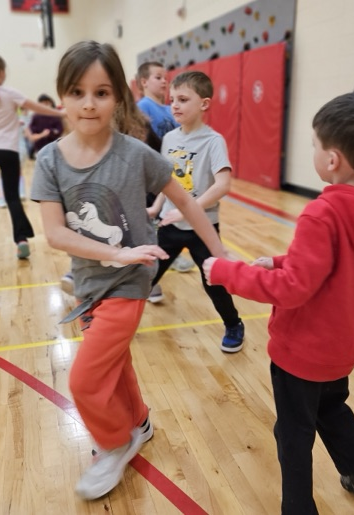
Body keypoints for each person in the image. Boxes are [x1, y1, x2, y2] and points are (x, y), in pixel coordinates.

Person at [30, 40, 228, 500]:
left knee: (84, 379)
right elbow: (55, 234)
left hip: (129, 285)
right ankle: (138, 421)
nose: (89, 103)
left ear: (118, 96)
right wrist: (116, 253)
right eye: (77, 92)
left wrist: (219, 254)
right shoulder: (49, 161)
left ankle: (114, 445)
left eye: (101, 92)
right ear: (62, 95)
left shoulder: (137, 154)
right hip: (90, 285)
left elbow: (188, 203)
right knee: (113, 363)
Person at [203, 87, 354, 513]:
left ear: (332, 159)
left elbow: (292, 289)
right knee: (332, 406)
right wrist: (280, 260)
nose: (313, 152)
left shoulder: (324, 212)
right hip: (345, 345)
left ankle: (298, 507)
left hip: (303, 351)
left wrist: (227, 272)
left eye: (315, 145)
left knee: (294, 432)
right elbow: (345, 267)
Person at [147, 71, 245, 353]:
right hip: (170, 223)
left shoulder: (213, 141)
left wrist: (188, 211)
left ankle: (234, 324)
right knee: (147, 275)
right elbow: (168, 181)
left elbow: (223, 185)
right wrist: (155, 208)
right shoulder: (169, 139)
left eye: (182, 99)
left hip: (203, 226)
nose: (174, 105)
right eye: (172, 100)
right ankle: (117, 323)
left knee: (213, 283)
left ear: (204, 104)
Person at [0, 52, 63, 259]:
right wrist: (61, 113)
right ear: (1, 72)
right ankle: (21, 239)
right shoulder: (9, 93)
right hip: (8, 150)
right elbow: (37, 108)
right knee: (12, 196)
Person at [136, 61, 194, 276]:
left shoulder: (170, 109)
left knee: (169, 216)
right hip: (151, 176)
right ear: (144, 82)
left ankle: (169, 255)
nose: (164, 80)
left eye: (165, 76)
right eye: (158, 77)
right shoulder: (142, 107)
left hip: (172, 173)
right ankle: (150, 266)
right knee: (153, 219)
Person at [25, 93, 64, 158]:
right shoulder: (36, 117)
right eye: (42, 103)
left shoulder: (56, 116)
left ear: (51, 104)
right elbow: (32, 136)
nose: (45, 106)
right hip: (39, 149)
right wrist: (43, 134)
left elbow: (59, 130)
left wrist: (51, 132)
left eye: (47, 103)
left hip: (54, 148)